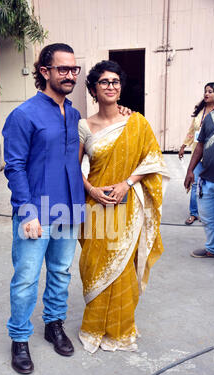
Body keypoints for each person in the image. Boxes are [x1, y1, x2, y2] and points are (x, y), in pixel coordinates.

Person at [2, 43, 86, 374]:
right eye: (63, 69)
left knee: (61, 273)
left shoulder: (75, 115)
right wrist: (28, 212)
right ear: (45, 71)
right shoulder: (23, 115)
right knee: (25, 278)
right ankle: (20, 339)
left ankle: (53, 325)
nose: (70, 75)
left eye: (74, 69)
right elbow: (15, 167)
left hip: (68, 210)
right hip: (37, 212)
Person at [78, 60, 170, 353]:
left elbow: (153, 158)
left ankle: (120, 328)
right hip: (95, 204)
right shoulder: (83, 125)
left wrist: (127, 183)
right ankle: (94, 327)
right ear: (93, 88)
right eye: (104, 82)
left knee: (123, 267)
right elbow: (71, 165)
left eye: (115, 81)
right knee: (95, 264)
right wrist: (91, 189)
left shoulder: (136, 122)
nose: (111, 86)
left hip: (127, 204)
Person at [184, 83, 214, 268]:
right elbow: (199, 145)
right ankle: (213, 249)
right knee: (208, 218)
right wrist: (190, 170)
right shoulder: (209, 118)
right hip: (207, 179)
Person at [179, 83, 214, 225]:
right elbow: (192, 131)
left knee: (210, 185)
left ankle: (208, 214)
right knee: (195, 183)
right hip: (197, 152)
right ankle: (194, 213)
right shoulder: (200, 110)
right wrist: (184, 145)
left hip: (212, 155)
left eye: (211, 91)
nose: (207, 94)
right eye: (205, 91)